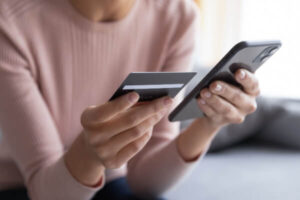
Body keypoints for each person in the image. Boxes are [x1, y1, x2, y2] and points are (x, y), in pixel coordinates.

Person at [0, 0, 260, 199]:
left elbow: (145, 181)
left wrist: (208, 124)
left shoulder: (177, 15)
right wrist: (89, 156)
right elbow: (45, 192)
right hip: (23, 185)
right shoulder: (10, 20)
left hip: (111, 181)